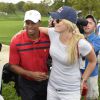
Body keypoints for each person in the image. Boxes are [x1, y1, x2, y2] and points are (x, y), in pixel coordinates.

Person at [39, 6, 97, 100]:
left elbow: (93, 61)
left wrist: (83, 79)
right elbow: (37, 29)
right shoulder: (53, 33)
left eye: (58, 20)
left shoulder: (80, 43)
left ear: (68, 24)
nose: (54, 22)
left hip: (71, 92)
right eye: (54, 19)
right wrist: (22, 32)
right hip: (52, 88)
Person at [9, 10, 50, 100]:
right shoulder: (16, 41)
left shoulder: (48, 38)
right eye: (27, 23)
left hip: (46, 81)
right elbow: (12, 66)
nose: (30, 26)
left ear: (39, 23)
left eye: (33, 23)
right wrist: (30, 74)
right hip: (26, 83)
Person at [82, 15, 100, 100]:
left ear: (95, 26)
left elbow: (90, 48)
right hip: (78, 73)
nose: (87, 25)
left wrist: (80, 38)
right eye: (85, 23)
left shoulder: (97, 39)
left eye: (90, 23)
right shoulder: (79, 36)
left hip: (91, 74)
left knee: (91, 97)